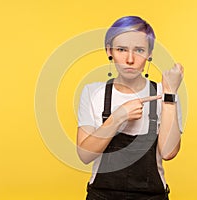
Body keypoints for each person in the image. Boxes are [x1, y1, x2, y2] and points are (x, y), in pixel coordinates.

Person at [77, 16, 184, 200]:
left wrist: (169, 95)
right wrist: (117, 117)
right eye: (121, 49)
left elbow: (168, 153)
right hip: (102, 196)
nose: (130, 59)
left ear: (150, 53)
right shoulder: (93, 93)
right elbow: (85, 155)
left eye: (139, 50)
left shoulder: (164, 93)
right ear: (109, 50)